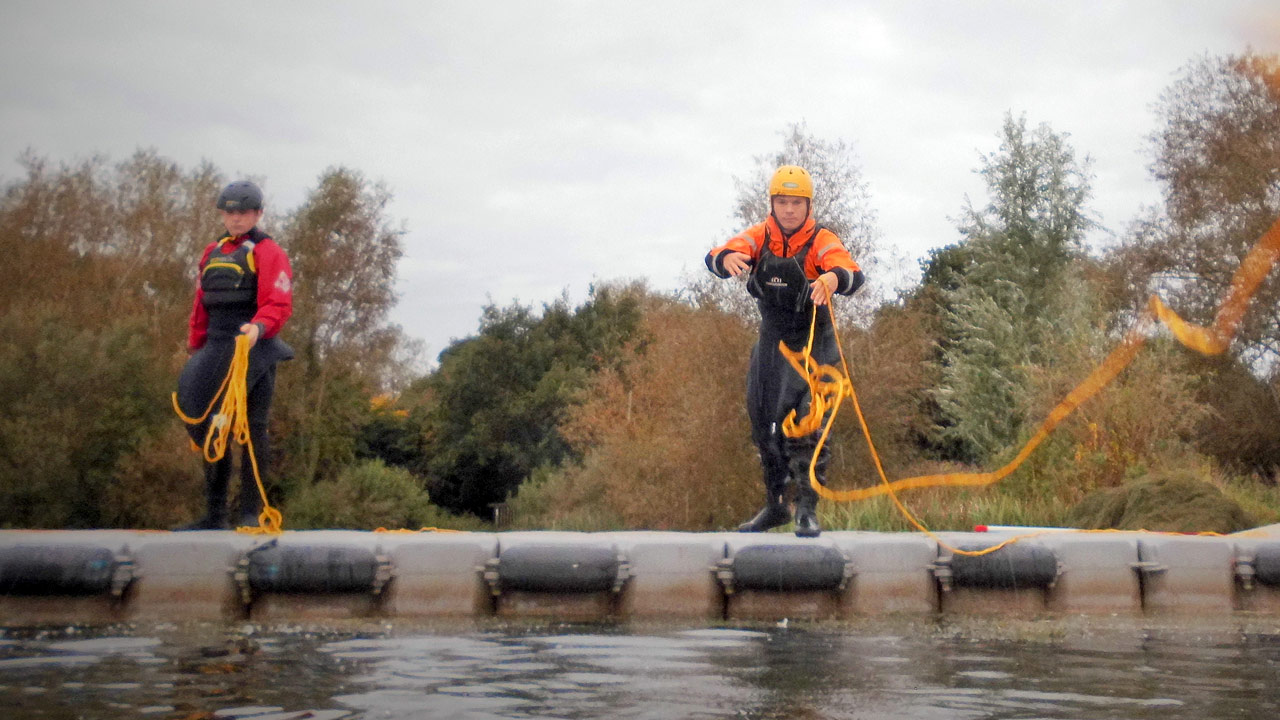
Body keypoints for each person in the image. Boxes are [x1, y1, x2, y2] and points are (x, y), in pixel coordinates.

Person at [704, 165, 864, 537]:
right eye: (782, 202)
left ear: (807, 206)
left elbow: (849, 270)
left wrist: (831, 277)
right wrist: (725, 259)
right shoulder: (760, 236)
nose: (789, 210)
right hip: (772, 341)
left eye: (796, 203)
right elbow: (719, 253)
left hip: (813, 341)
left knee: (808, 425)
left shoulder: (822, 239)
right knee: (764, 424)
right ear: (772, 204)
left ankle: (806, 508)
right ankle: (776, 505)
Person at [175, 180, 294, 530]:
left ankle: (251, 511)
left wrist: (258, 328)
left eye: (243, 212)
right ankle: (215, 515)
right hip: (217, 346)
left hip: (253, 348)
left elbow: (279, 301)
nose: (236, 219)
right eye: (230, 212)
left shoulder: (268, 251)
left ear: (257, 214)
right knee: (210, 425)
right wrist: (195, 342)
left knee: (254, 428)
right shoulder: (212, 251)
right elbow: (202, 303)